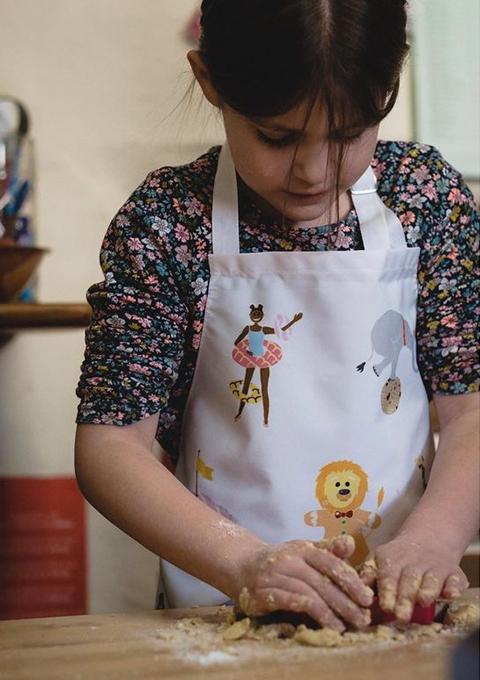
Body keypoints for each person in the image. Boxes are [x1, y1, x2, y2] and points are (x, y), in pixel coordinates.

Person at [75, 0, 479, 633]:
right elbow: (110, 445)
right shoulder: (168, 221)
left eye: (349, 134)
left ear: (388, 89)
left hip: (395, 611)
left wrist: (433, 540)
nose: (315, 172)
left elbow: (472, 410)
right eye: (277, 136)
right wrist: (243, 563)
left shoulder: (424, 198)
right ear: (211, 82)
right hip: (220, 615)